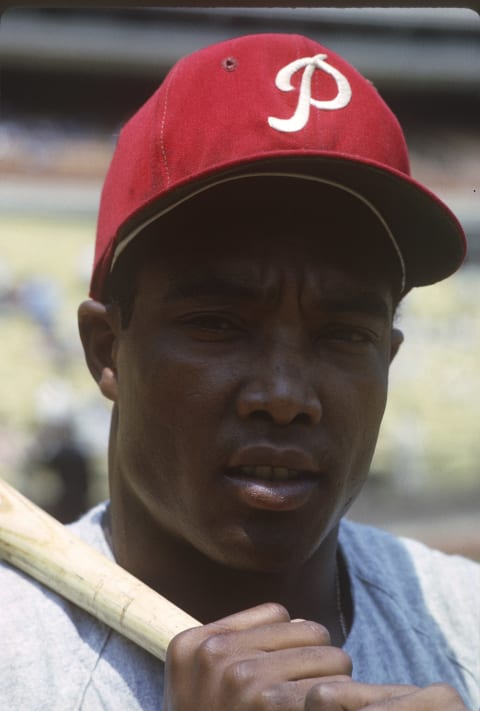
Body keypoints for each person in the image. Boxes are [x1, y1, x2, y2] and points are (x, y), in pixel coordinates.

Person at [1, 33, 478, 710]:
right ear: (107, 350)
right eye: (219, 324)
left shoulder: (466, 625)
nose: (284, 398)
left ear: (389, 360)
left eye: (344, 333)